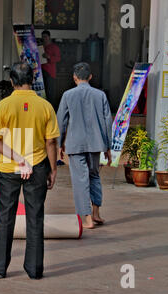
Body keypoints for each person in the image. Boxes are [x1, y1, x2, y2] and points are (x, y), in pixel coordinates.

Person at [0, 62, 59, 280]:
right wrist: (53, 168)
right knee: (35, 218)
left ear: (12, 81)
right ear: (33, 78)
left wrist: (17, 159)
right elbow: (50, 143)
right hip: (38, 166)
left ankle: (0, 268)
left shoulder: (4, 106)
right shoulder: (45, 106)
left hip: (10, 168)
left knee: (5, 218)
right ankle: (35, 269)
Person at [57, 62, 113, 229]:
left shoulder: (68, 95)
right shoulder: (100, 95)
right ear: (90, 77)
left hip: (75, 143)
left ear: (74, 78)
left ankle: (87, 218)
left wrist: (60, 143)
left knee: (80, 180)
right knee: (94, 176)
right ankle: (96, 213)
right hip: (96, 143)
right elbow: (107, 121)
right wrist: (107, 147)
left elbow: (61, 121)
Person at [41, 30, 61, 112]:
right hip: (41, 72)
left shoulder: (54, 47)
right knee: (43, 92)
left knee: (50, 93)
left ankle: (51, 111)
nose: (44, 39)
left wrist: (49, 56)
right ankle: (43, 110)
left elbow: (58, 58)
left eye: (45, 37)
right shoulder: (41, 47)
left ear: (49, 37)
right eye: (42, 37)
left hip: (50, 72)